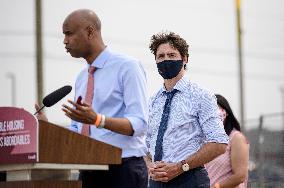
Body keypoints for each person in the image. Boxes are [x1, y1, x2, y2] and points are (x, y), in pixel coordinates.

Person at [36, 9, 148, 188]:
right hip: (88, 168)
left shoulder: (128, 67)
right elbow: (80, 130)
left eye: (69, 34)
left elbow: (140, 124)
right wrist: (49, 129)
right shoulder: (82, 77)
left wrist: (97, 119)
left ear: (90, 31)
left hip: (123, 169)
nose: (65, 41)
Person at [145, 31, 229, 188]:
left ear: (184, 58)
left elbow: (219, 142)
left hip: (189, 179)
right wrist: (149, 165)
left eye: (171, 55)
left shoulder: (201, 95)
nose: (166, 60)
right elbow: (145, 144)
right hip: (156, 182)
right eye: (161, 56)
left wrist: (180, 167)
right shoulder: (153, 100)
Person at [205, 94, 249, 188]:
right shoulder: (205, 140)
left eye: (216, 109)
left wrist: (216, 187)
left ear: (226, 112)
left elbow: (240, 176)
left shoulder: (236, 138)